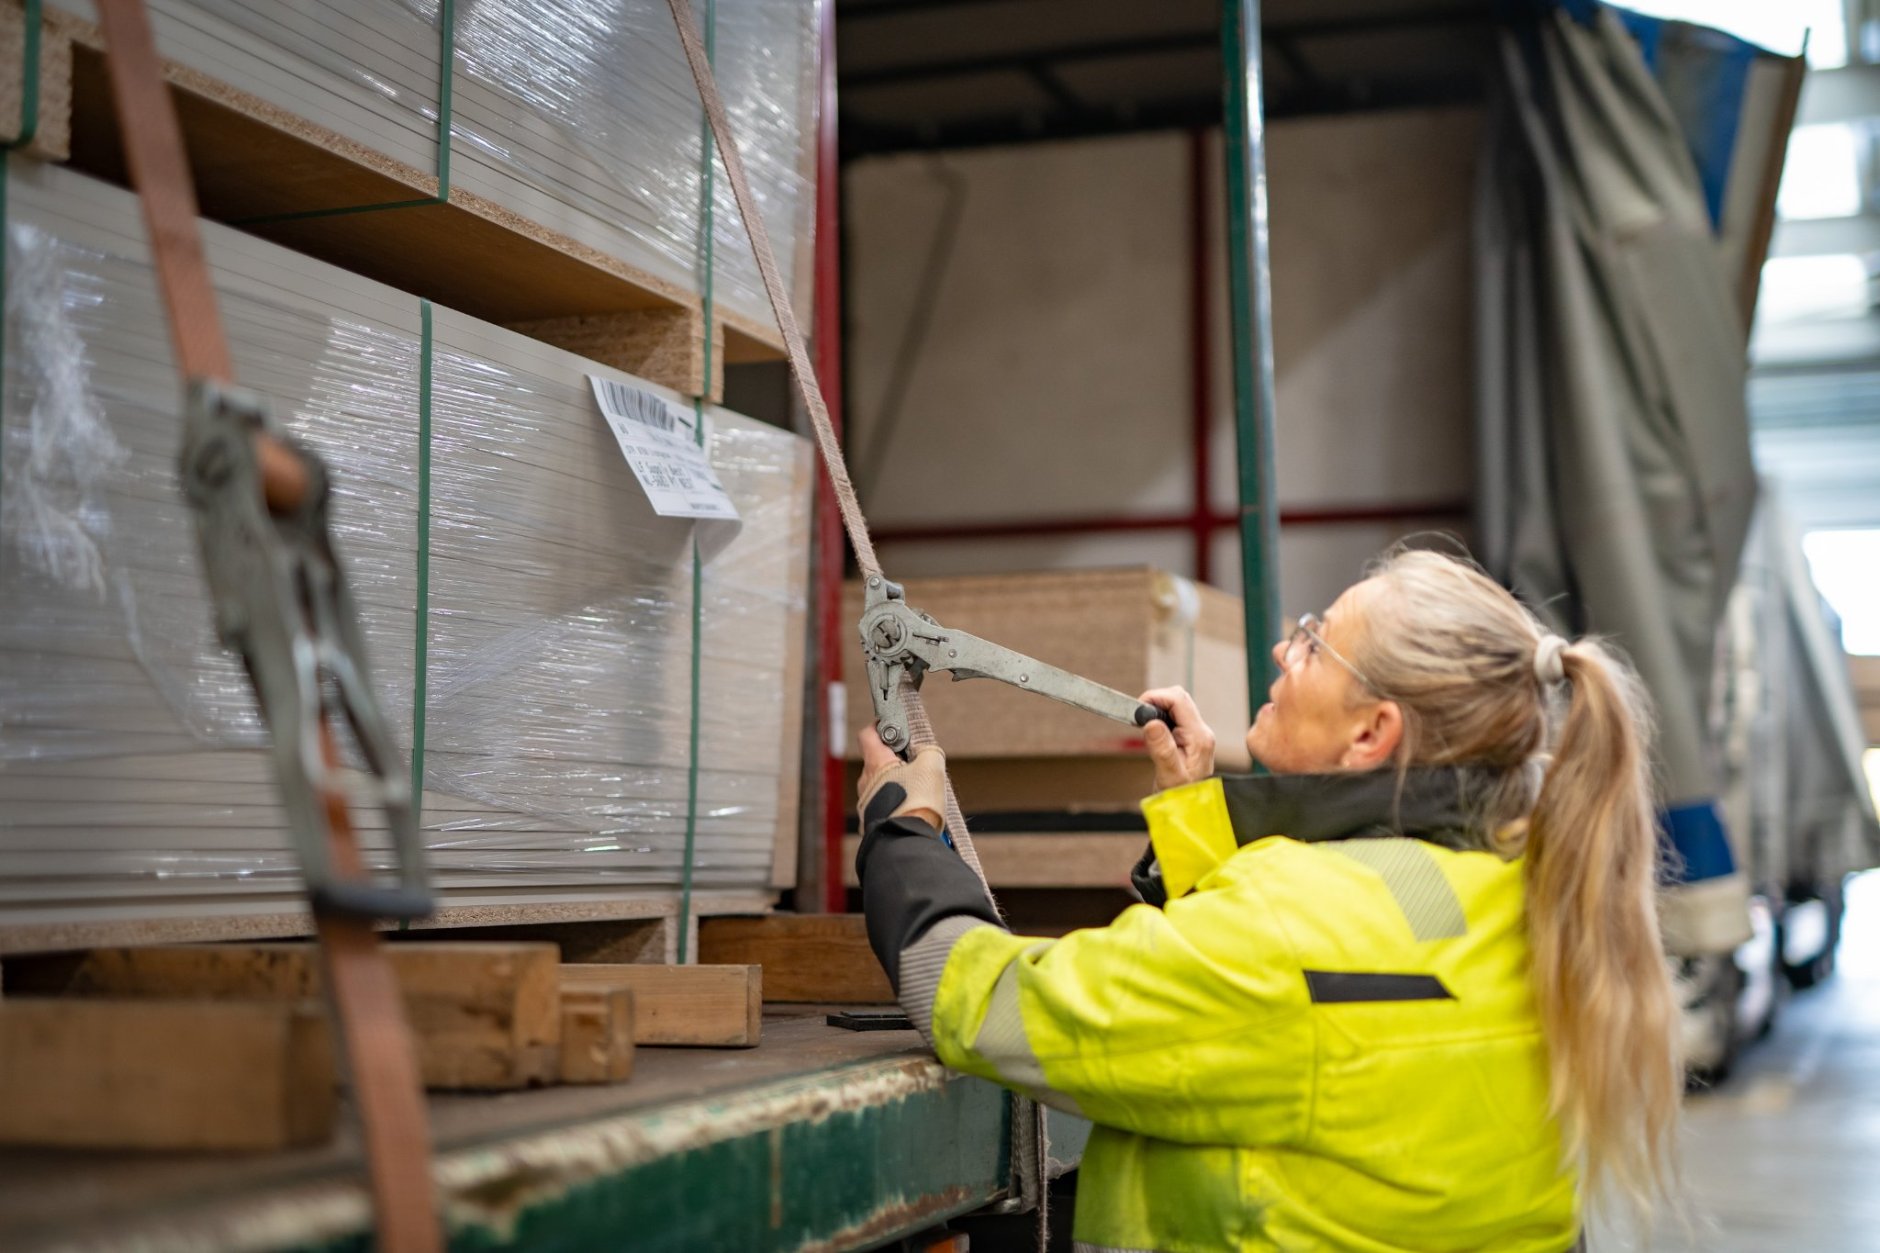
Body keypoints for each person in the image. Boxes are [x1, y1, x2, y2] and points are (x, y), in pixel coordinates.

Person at [853, 548, 1681, 1252]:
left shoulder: (1288, 930)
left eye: (1317, 644)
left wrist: (906, 828)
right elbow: (1308, 999)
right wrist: (1194, 816)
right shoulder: (1521, 891)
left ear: (1372, 732)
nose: (1286, 649)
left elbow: (978, 999)